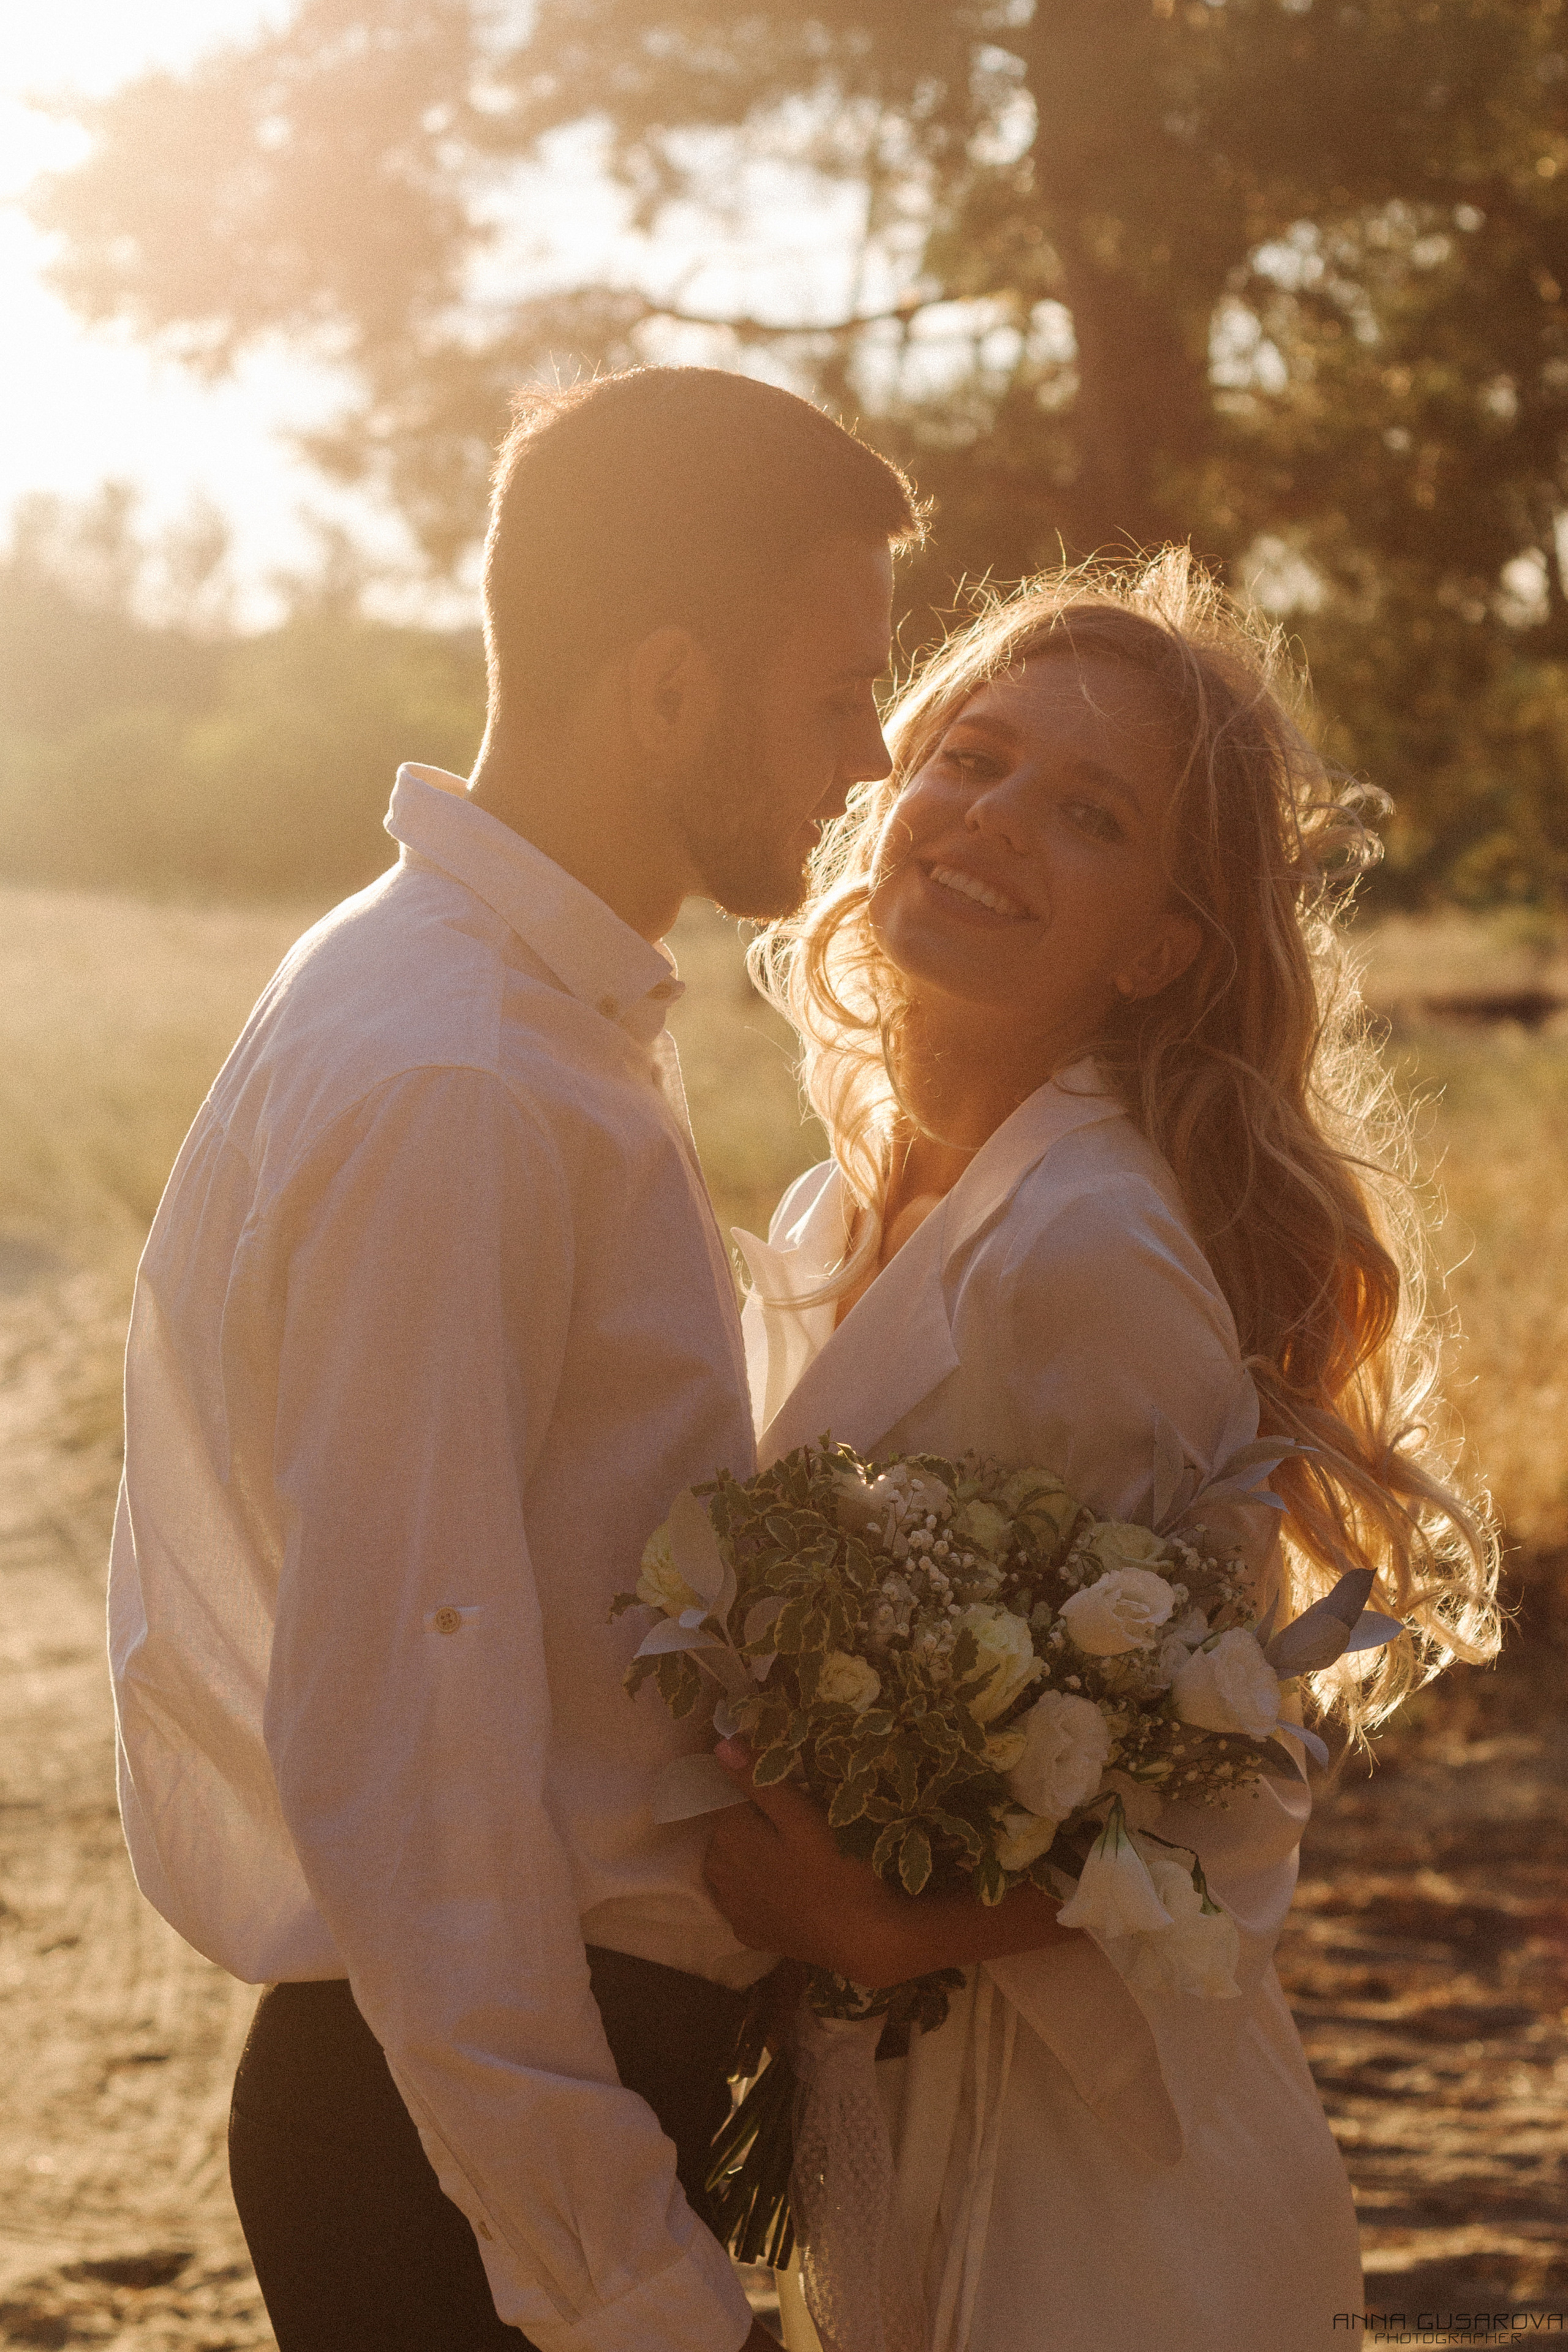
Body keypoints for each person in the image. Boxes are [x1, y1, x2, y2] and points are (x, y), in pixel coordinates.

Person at [106, 364, 922, 2352]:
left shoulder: (481, 1009)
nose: (877, 755)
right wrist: (623, 2276)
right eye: (838, 694)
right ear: (665, 690)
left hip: (489, 2107)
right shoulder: (459, 1078)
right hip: (475, 2148)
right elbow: (410, 1736)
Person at [701, 551, 1500, 2352]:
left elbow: (1236, 1797)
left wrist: (903, 1926)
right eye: (966, 758)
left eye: (1088, 813)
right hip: (882, 2111)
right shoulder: (837, 1210)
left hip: (1101, 2188)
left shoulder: (1087, 1246)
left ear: (1160, 945)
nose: (985, 820)